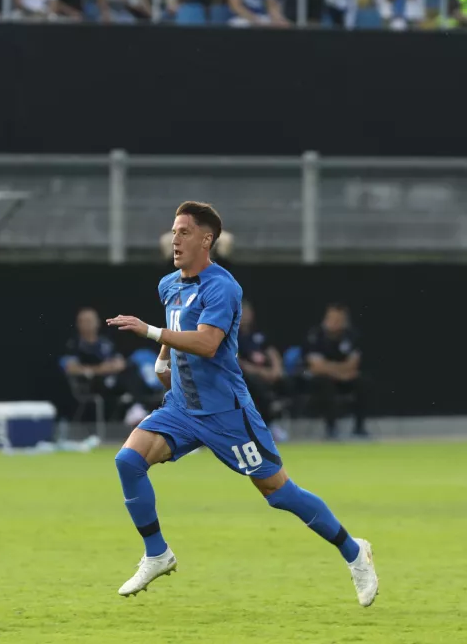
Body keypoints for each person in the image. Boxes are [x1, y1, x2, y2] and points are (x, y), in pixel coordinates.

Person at [105, 201, 377, 607]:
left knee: (279, 493)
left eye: (183, 232)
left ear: (206, 240)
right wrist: (163, 360)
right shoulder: (169, 285)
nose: (175, 239)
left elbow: (207, 343)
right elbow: (177, 330)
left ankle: (354, 552)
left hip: (226, 414)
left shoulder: (223, 287)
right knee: (128, 461)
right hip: (182, 407)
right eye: (174, 232)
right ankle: (157, 553)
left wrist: (149, 332)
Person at [304, 303, 368, 440]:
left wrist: (331, 367)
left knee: (361, 381)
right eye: (332, 319)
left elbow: (353, 365)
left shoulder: (351, 336)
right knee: (325, 382)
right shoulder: (315, 335)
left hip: (345, 379)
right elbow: (316, 367)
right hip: (321, 380)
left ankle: (359, 428)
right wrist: (339, 372)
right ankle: (331, 428)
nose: (335, 323)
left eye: (339, 320)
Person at [62, 307, 136, 422]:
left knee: (132, 370)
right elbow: (71, 368)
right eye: (84, 321)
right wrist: (100, 369)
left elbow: (120, 363)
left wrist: (110, 367)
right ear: (78, 324)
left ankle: (137, 408)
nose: (87, 324)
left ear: (97, 322)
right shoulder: (73, 344)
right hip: (89, 384)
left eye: (90, 320)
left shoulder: (105, 343)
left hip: (112, 380)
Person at [237, 299, 286, 425]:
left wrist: (276, 369)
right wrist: (261, 372)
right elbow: (238, 361)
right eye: (242, 312)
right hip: (248, 375)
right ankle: (267, 421)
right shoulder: (233, 336)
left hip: (268, 373)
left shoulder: (258, 334)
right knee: (254, 382)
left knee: (286, 380)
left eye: (247, 312)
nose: (245, 316)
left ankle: (279, 417)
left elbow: (272, 352)